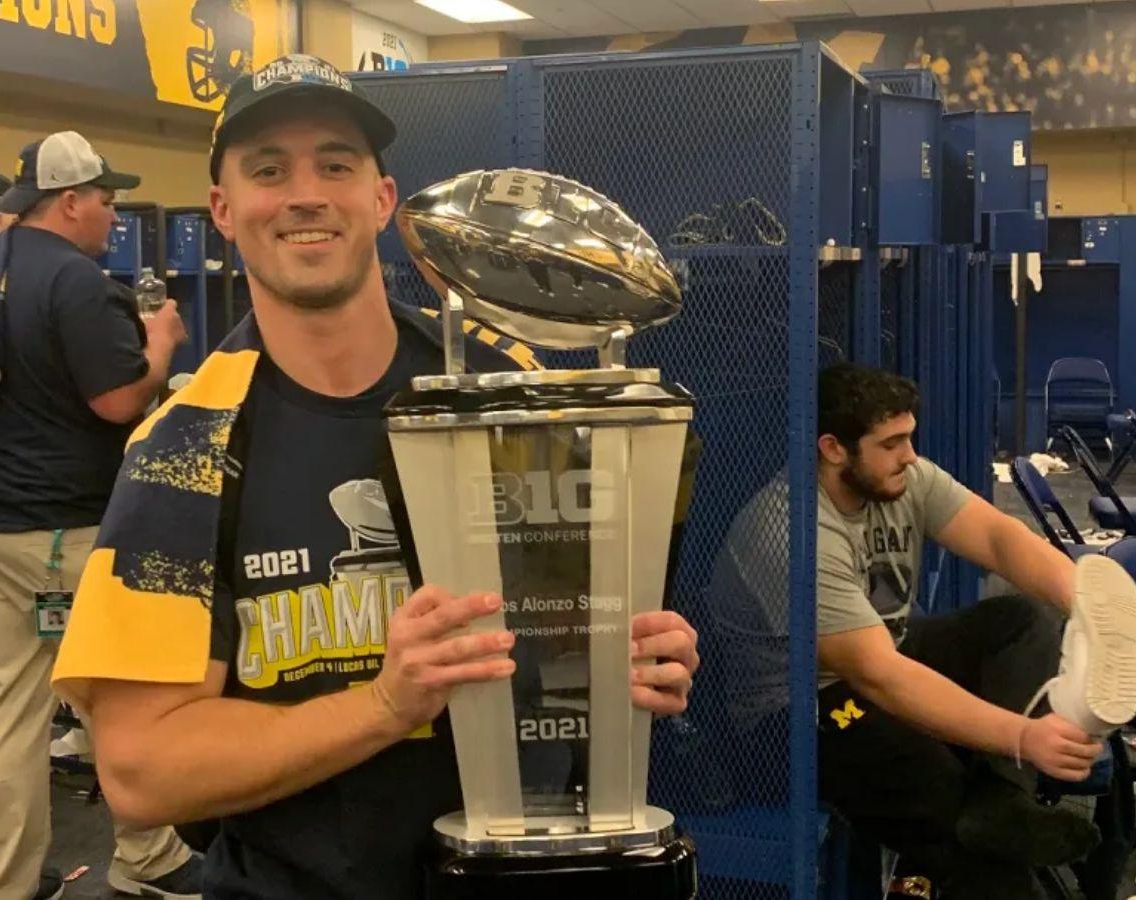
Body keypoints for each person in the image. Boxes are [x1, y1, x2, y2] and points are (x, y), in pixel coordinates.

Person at [51, 54, 703, 900]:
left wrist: (630, 657)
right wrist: (385, 706)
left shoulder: (501, 385)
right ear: (224, 209)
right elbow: (141, 770)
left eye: (336, 163)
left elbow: (574, 617)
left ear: (383, 199)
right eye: (268, 170)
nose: (306, 194)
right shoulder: (185, 447)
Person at [0, 132, 199, 900]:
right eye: (106, 202)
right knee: (118, 693)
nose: (113, 218)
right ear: (69, 202)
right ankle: (149, 859)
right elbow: (118, 401)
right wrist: (160, 346)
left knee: (8, 705)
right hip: (58, 534)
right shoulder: (76, 279)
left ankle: (1, 887)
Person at [803, 363, 1136, 897]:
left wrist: (1085, 597)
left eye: (909, 438)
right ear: (833, 449)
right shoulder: (803, 529)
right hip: (809, 710)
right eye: (891, 444)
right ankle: (988, 817)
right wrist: (1024, 738)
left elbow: (996, 537)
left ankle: (1001, 798)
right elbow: (879, 678)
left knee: (1022, 618)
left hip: (885, 654)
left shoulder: (903, 479)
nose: (910, 456)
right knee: (953, 810)